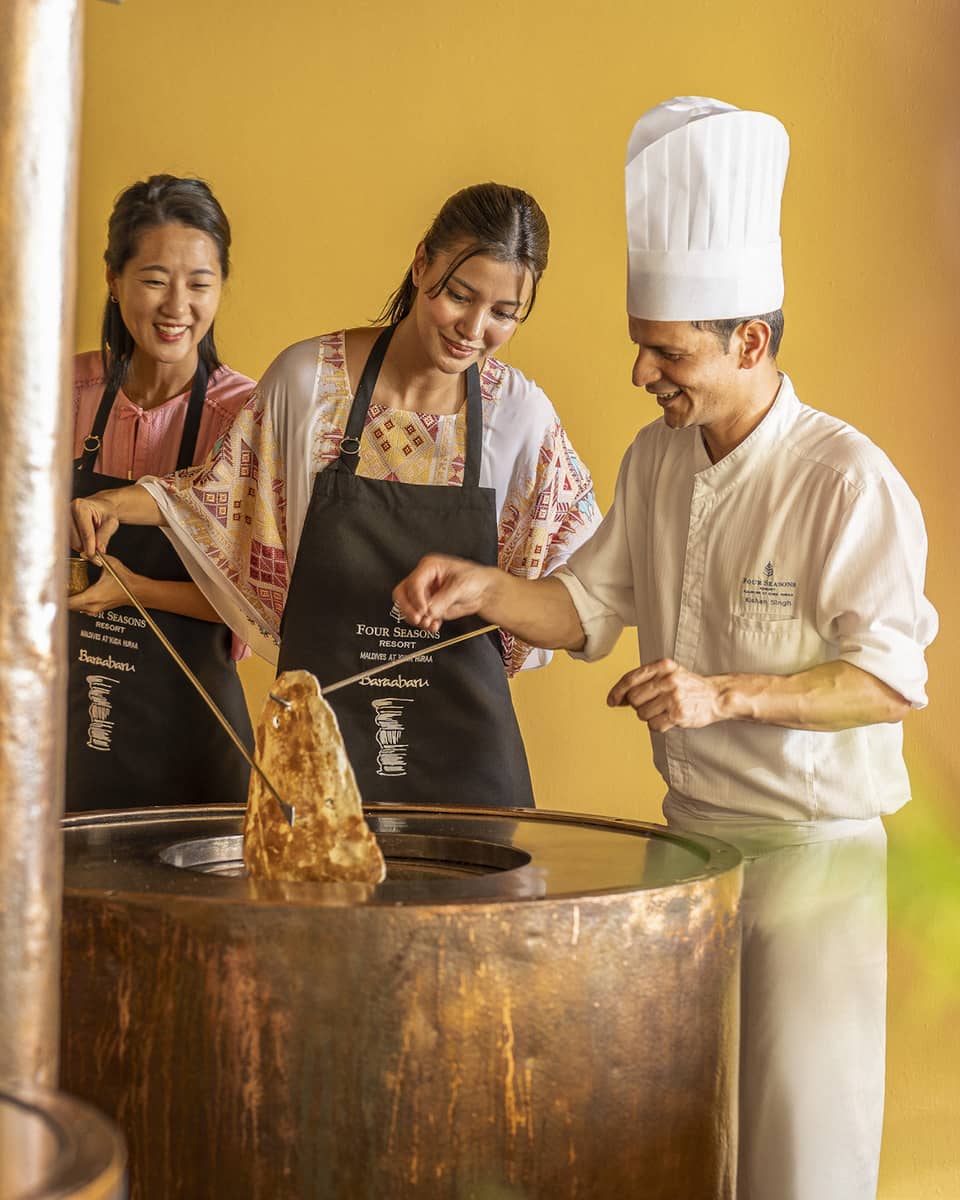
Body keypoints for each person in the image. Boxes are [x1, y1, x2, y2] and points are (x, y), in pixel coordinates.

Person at [392, 99, 938, 1200]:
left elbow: (886, 681)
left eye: (667, 351)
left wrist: (720, 693)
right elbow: (585, 611)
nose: (644, 373)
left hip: (812, 859)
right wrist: (483, 588)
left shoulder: (844, 480)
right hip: (691, 856)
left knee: (798, 1157)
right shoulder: (658, 460)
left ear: (751, 341)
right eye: (642, 348)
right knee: (677, 1139)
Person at [70, 182, 600, 808]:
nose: (474, 329)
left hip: (470, 768)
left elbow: (582, 613)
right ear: (421, 262)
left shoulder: (523, 419)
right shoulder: (308, 383)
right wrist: (112, 503)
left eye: (505, 313)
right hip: (316, 756)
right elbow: (218, 498)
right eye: (459, 295)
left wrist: (489, 591)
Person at [67, 174, 255, 810]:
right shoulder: (64, 394)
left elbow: (261, 600)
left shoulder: (247, 419)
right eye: (154, 280)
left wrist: (137, 590)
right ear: (114, 279)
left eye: (200, 284)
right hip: (62, 727)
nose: (178, 305)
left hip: (194, 742)